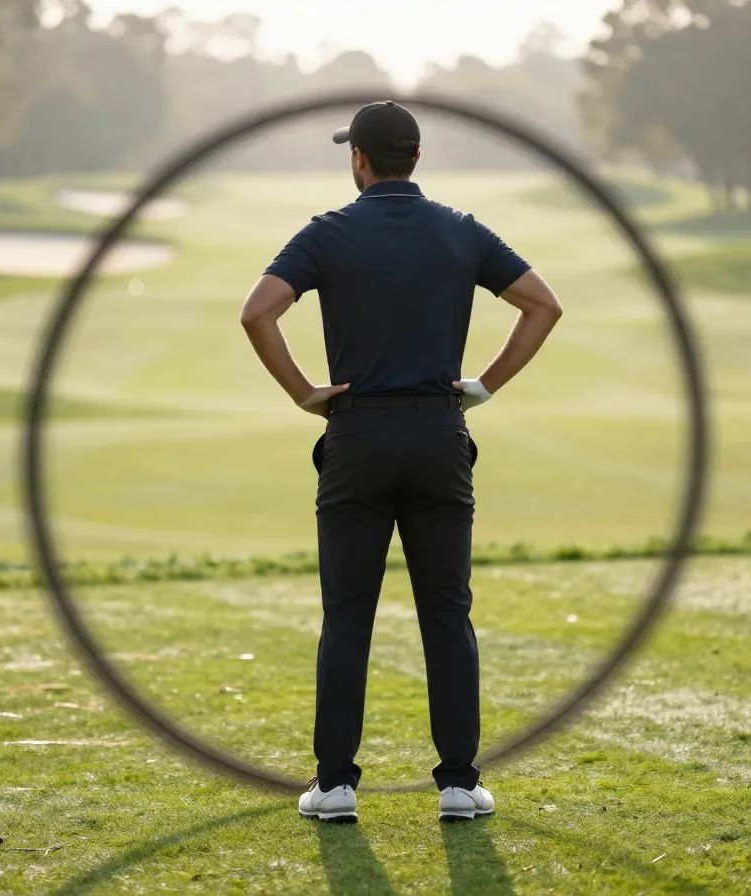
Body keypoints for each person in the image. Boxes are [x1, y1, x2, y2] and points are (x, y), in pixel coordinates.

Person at [240, 100, 563, 823]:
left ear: (359, 159)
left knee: (347, 614)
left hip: (355, 438)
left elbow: (257, 311)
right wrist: (481, 386)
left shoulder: (327, 234)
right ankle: (457, 785)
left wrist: (305, 395)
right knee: (447, 612)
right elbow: (543, 305)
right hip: (440, 436)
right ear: (415, 158)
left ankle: (335, 788)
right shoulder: (461, 231)